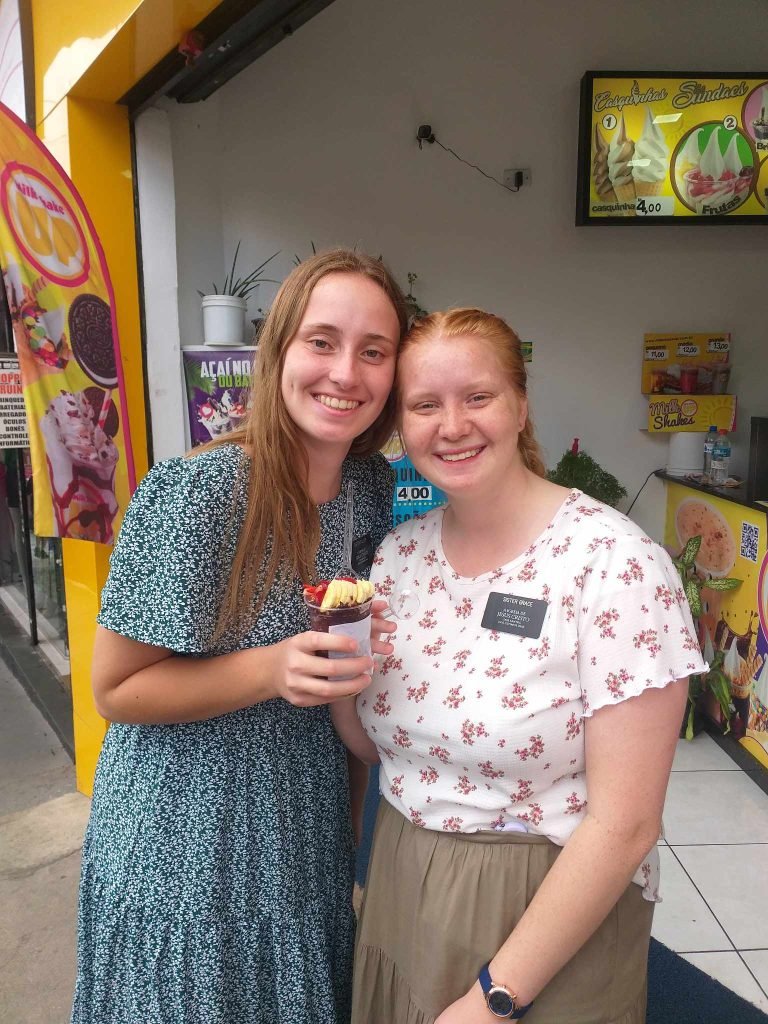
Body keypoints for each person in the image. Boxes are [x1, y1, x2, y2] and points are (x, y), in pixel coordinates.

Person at [332, 308, 706, 1024]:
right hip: (403, 875)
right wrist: (340, 674)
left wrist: (494, 998)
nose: (452, 425)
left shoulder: (614, 565)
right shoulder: (397, 556)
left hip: (545, 907)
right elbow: (376, 744)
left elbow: (626, 824)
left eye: (478, 397)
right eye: (424, 405)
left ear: (520, 403)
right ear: (400, 425)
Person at [71, 249, 407, 1024]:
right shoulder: (199, 493)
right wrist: (270, 669)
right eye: (321, 342)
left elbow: (344, 676)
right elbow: (115, 689)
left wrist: (351, 838)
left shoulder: (368, 488)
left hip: (305, 833)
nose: (345, 373)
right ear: (278, 351)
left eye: (373, 351)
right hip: (186, 851)